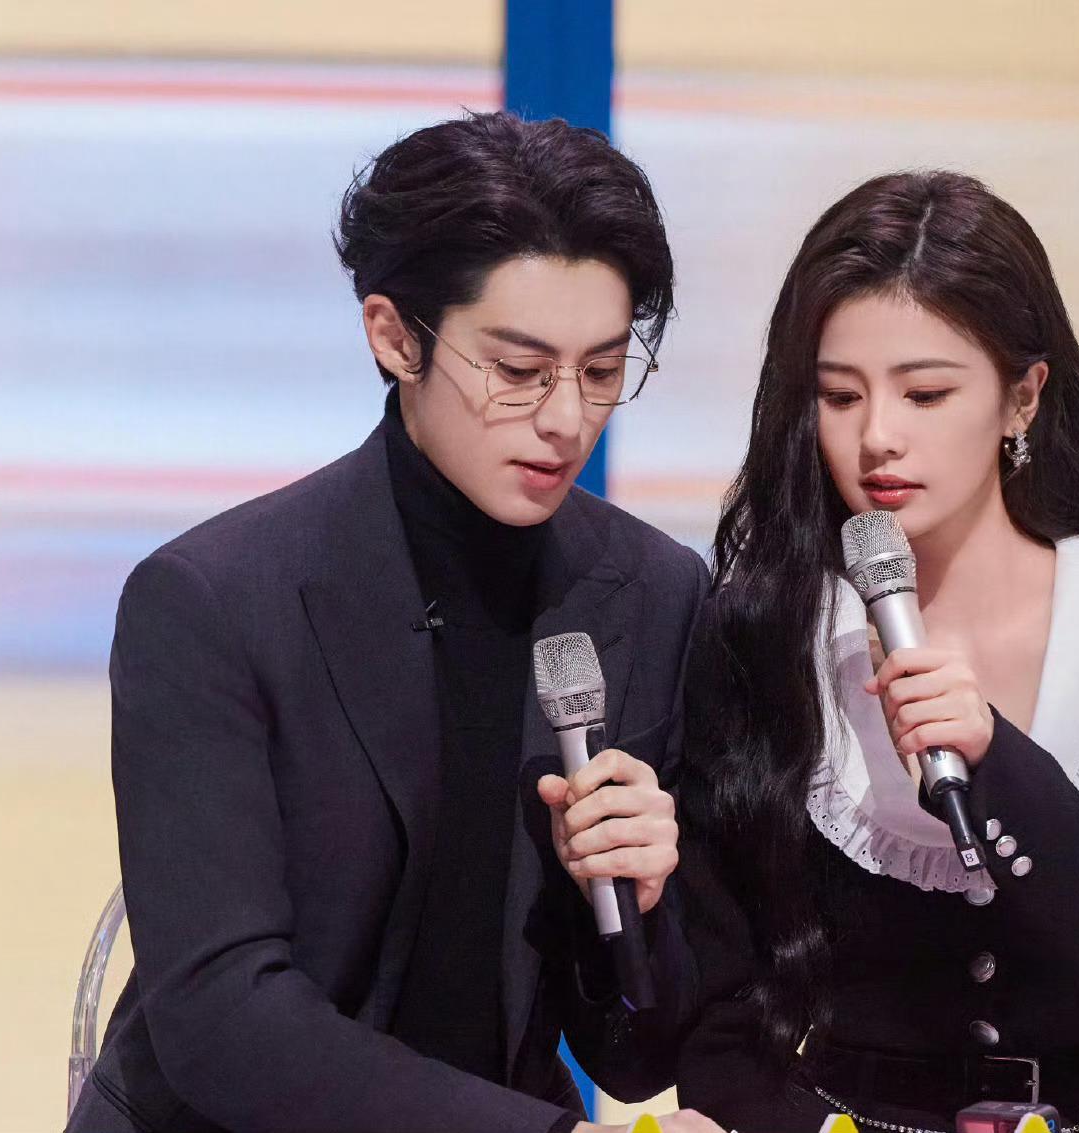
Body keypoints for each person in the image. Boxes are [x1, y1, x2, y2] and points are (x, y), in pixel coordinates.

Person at [67, 111, 720, 1133]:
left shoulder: (650, 589)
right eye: (517, 370)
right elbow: (224, 1023)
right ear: (394, 335)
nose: (566, 418)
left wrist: (634, 909)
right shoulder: (214, 602)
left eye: (600, 371)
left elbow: (637, 1058)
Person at [673, 170, 1079, 1133]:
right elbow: (719, 1022)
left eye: (926, 393)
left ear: (1023, 397)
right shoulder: (760, 629)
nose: (878, 438)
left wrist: (1000, 763)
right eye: (839, 396)